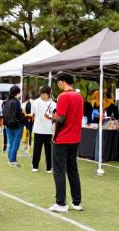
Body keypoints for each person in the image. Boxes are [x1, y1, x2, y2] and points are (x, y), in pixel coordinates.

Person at [47, 72, 84, 214]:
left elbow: (61, 117)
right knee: (73, 170)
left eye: (58, 82)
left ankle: (61, 203)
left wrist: (52, 116)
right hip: (75, 138)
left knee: (59, 171)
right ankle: (77, 202)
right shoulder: (79, 97)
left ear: (62, 82)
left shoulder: (63, 96)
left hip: (62, 138)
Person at [0, 84, 25, 166]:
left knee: (11, 142)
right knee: (16, 143)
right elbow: (19, 114)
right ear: (17, 92)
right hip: (17, 125)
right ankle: (12, 160)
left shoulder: (6, 101)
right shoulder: (16, 102)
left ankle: (10, 158)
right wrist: (23, 118)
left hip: (8, 125)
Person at [31, 86, 55, 173]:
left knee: (48, 150)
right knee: (37, 149)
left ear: (49, 94)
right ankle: (35, 166)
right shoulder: (35, 102)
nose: (43, 96)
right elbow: (33, 113)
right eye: (42, 94)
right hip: (38, 129)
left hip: (49, 130)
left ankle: (49, 167)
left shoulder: (53, 104)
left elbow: (54, 116)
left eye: (45, 94)